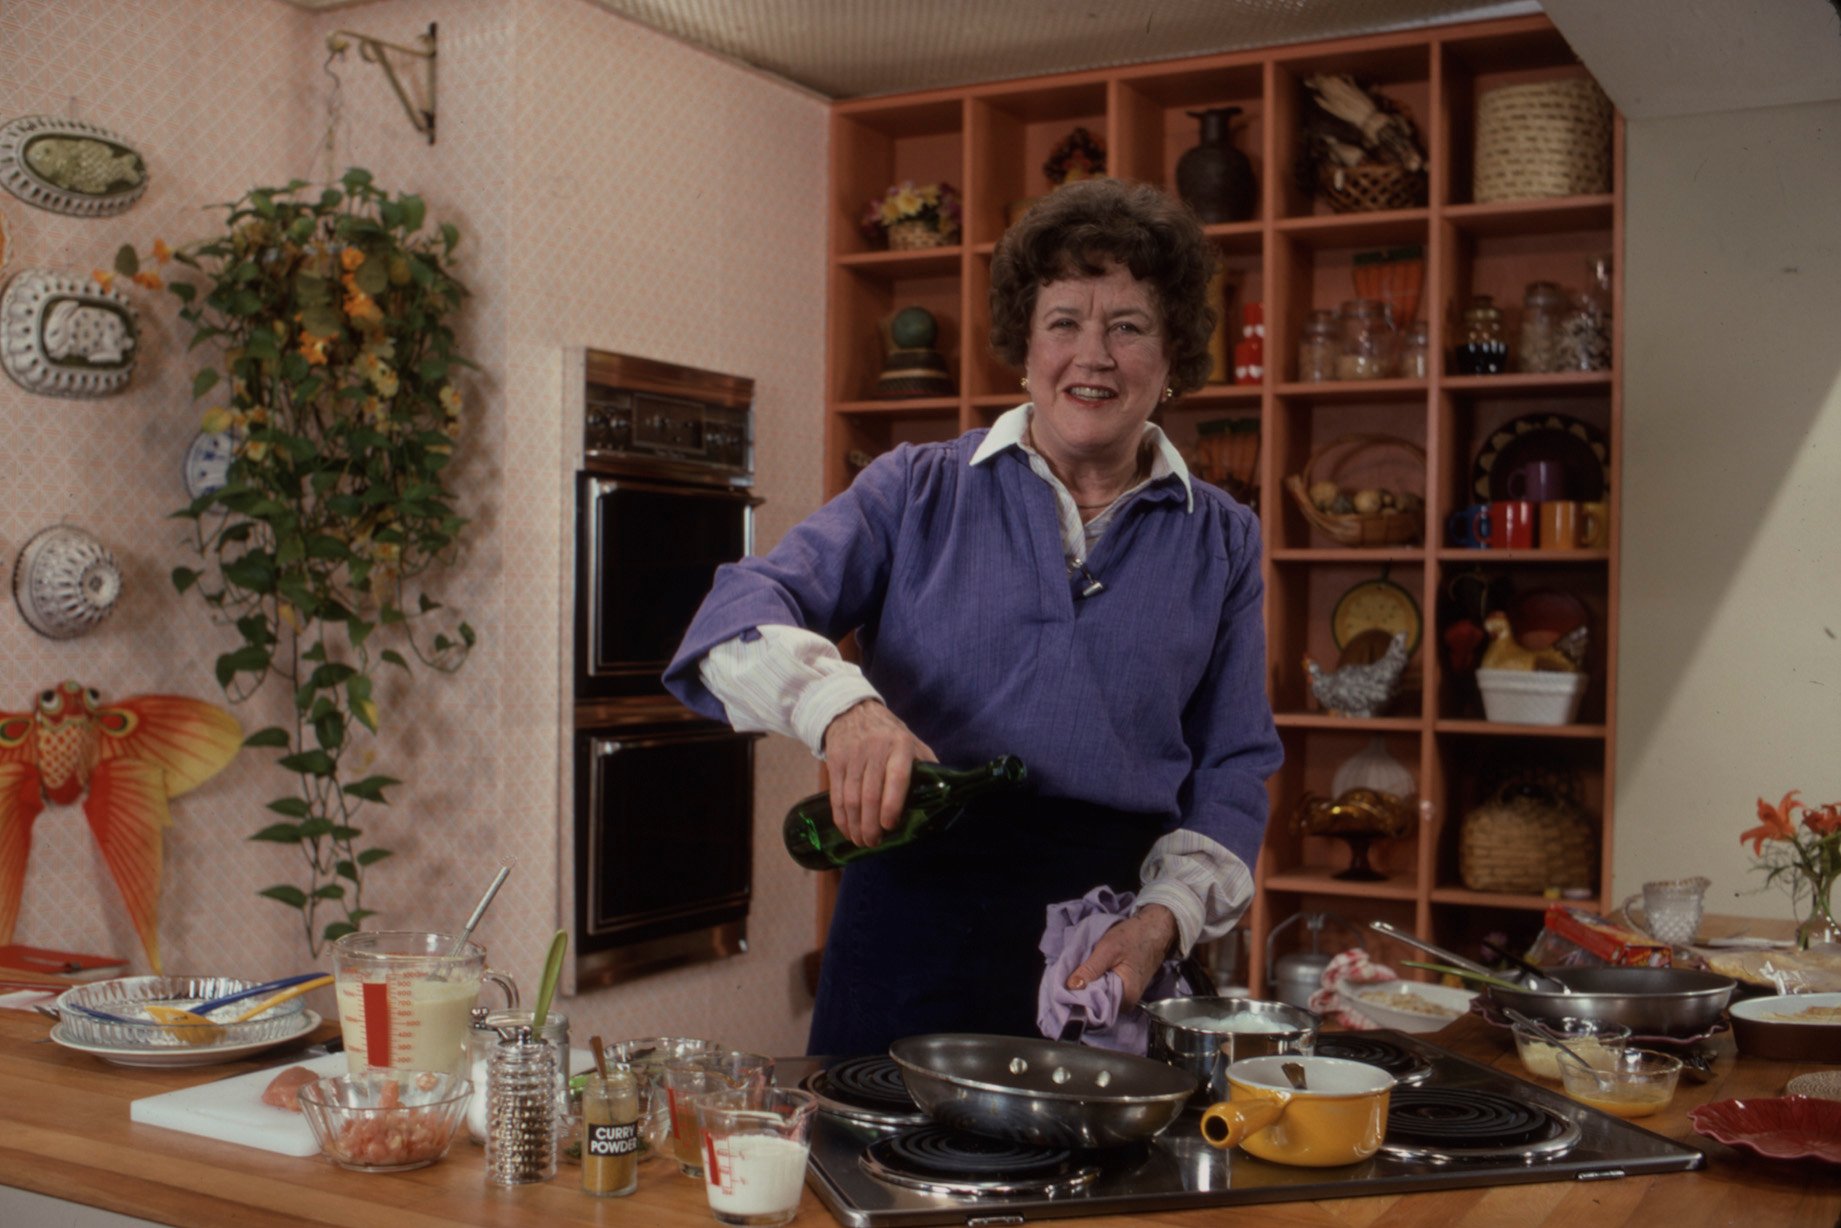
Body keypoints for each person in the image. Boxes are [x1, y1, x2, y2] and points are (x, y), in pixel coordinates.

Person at [665, 177, 1282, 1057]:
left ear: (1173, 352)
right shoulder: (913, 488)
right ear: (1022, 350)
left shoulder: (1221, 538)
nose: (1092, 356)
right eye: (1063, 321)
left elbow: (1232, 766)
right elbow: (733, 618)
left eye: (1129, 326)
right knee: (872, 1177)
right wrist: (842, 708)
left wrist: (1164, 921)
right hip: (906, 934)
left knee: (1095, 1195)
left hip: (1101, 952)